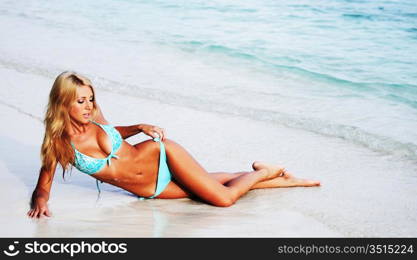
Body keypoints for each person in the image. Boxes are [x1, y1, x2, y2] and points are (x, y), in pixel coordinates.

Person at [27, 71, 320, 218]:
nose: (89, 106)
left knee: (223, 198)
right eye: (81, 101)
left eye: (91, 98)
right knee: (221, 184)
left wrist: (138, 127)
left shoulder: (96, 116)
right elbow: (44, 184)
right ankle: (290, 181)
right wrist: (40, 202)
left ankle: (264, 171)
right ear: (63, 102)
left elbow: (112, 131)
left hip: (161, 155)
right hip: (153, 189)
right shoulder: (58, 144)